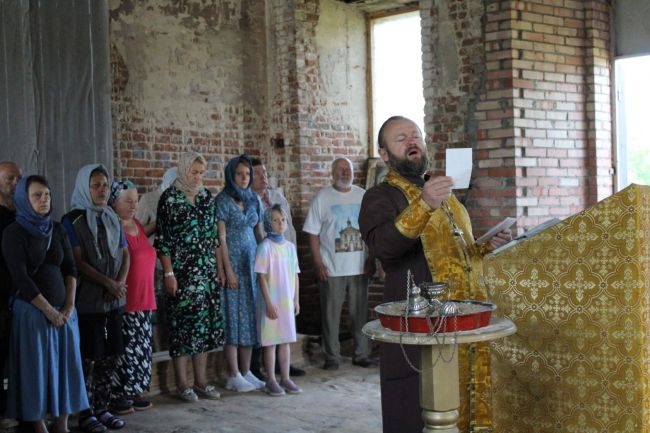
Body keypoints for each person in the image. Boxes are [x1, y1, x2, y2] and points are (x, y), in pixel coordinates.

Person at [358, 116, 511, 433]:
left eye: (415, 135)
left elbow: (458, 252)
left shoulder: (445, 193)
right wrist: (424, 203)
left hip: (461, 319)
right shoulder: (380, 196)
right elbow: (384, 248)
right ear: (384, 154)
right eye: (401, 139)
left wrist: (484, 247)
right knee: (417, 409)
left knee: (464, 402)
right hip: (419, 323)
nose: (412, 141)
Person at [2, 175, 88, 433]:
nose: (44, 200)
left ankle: (62, 422)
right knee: (35, 369)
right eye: (36, 195)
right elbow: (21, 278)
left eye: (47, 195)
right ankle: (38, 423)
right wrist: (49, 311)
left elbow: (71, 269)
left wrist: (69, 307)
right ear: (23, 200)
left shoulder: (57, 229)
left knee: (66, 368)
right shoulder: (13, 233)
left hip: (64, 313)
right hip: (32, 312)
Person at [61, 164, 130, 432]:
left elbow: (125, 253)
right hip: (88, 301)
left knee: (110, 356)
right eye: (96, 185)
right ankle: (85, 411)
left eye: (105, 185)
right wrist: (108, 283)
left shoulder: (111, 216)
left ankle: (102, 407)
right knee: (88, 358)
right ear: (84, 187)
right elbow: (77, 262)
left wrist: (120, 283)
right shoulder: (72, 219)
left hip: (114, 301)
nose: (102, 190)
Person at [155, 152, 223, 402]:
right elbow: (163, 240)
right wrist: (169, 273)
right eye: (193, 172)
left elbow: (214, 237)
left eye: (201, 173)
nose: (197, 177)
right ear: (183, 170)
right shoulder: (170, 198)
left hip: (205, 274)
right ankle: (183, 384)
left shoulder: (206, 196)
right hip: (182, 275)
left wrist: (218, 269)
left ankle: (202, 382)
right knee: (182, 329)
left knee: (204, 329)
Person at [303, 157, 375, 370]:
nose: (345, 173)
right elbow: (313, 233)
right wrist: (317, 262)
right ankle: (332, 357)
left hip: (360, 266)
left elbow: (372, 231)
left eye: (348, 170)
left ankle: (362, 354)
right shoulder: (322, 198)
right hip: (331, 268)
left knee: (361, 313)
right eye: (340, 170)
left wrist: (373, 258)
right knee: (330, 316)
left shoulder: (363, 196)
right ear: (332, 174)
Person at [250, 157, 305, 378]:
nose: (263, 176)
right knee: (264, 320)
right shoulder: (249, 200)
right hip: (263, 260)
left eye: (264, 172)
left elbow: (289, 228)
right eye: (257, 174)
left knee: (284, 324)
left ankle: (284, 369)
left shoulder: (277, 197)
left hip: (283, 259)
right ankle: (260, 367)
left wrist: (290, 250)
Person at [215, 154, 265, 393]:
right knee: (232, 318)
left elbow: (260, 234)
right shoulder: (223, 201)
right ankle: (233, 374)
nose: (244, 178)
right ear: (230, 175)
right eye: (239, 174)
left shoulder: (254, 199)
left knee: (249, 319)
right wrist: (227, 270)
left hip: (251, 265)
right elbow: (220, 238)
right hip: (233, 264)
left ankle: (247, 372)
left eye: (247, 174)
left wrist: (267, 264)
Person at [109, 181, 156, 412]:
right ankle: (118, 394)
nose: (134, 205)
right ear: (114, 202)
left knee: (141, 348)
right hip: (126, 300)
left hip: (145, 298)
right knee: (125, 349)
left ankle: (134, 390)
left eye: (136, 200)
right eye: (128, 201)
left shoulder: (136, 223)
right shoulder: (112, 226)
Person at [254, 205, 302, 396]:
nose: (280, 223)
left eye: (282, 219)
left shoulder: (290, 248)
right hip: (272, 303)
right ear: (267, 223)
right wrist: (268, 302)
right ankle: (271, 380)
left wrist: (296, 300)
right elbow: (261, 278)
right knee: (271, 342)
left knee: (285, 341)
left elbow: (296, 275)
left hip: (287, 303)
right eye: (275, 220)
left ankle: (286, 377)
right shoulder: (265, 248)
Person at [0, 161, 21, 428]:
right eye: (9, 178)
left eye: (18, 178)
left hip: (25, 297)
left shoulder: (23, 214)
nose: (15, 182)